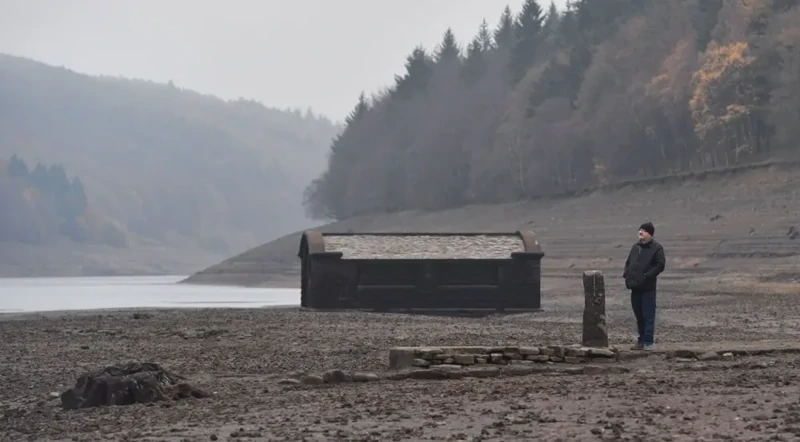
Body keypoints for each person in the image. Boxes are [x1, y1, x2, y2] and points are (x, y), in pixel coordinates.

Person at [622, 222, 666, 350]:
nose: (641, 232)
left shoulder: (657, 248)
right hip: (635, 287)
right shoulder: (636, 247)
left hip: (648, 288)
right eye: (640, 230)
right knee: (639, 316)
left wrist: (647, 276)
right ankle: (640, 341)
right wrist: (626, 274)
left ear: (650, 234)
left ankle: (648, 342)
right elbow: (629, 262)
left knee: (648, 316)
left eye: (644, 230)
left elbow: (660, 265)